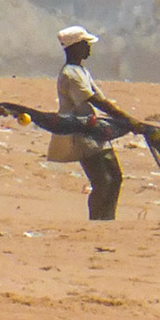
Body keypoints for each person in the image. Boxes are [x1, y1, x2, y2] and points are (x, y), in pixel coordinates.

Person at [46, 25, 137, 221]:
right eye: (85, 44)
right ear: (75, 46)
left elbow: (99, 97)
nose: (89, 48)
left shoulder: (81, 71)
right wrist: (127, 120)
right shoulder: (70, 74)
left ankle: (108, 217)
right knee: (102, 181)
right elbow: (94, 100)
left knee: (116, 177)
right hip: (81, 134)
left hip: (95, 131)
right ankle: (97, 221)